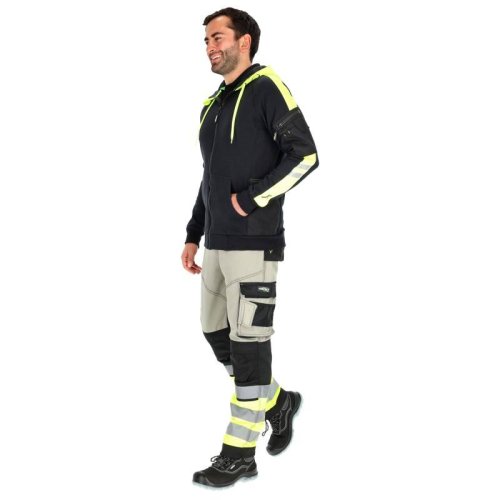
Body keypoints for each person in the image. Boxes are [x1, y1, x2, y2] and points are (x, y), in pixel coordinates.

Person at [181, 7, 319, 488]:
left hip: (254, 244)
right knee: (215, 332)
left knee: (249, 346)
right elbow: (210, 176)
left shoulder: (267, 88)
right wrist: (193, 232)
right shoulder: (213, 103)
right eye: (206, 39)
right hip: (217, 243)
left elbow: (305, 155)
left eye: (217, 37)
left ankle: (239, 453)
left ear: (245, 41)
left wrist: (252, 198)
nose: (210, 46)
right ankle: (277, 402)